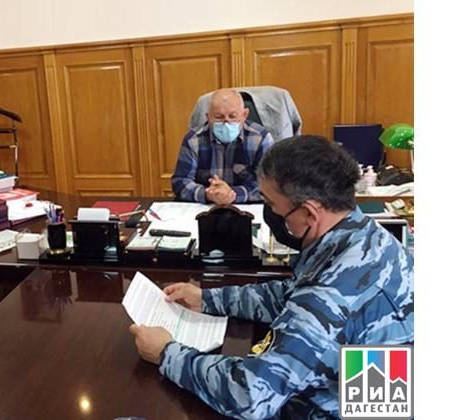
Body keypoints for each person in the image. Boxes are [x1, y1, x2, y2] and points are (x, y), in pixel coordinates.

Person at [130, 135, 414, 418]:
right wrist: (208, 299)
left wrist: (166, 353)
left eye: (273, 205)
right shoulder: (363, 236)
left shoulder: (329, 293)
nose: (271, 214)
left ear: (309, 213)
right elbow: (291, 293)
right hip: (368, 393)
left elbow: (251, 395)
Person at [171, 88, 274, 205]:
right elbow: (180, 182)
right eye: (219, 117)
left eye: (232, 116)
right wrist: (207, 194)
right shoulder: (193, 140)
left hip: (246, 207)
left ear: (244, 115)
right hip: (206, 207)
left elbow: (270, 185)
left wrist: (232, 194)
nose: (226, 123)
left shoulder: (261, 138)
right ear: (208, 117)